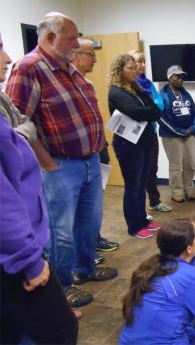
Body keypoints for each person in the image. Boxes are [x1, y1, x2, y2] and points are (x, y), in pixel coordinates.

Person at [6, 12, 118, 309]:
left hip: (89, 161)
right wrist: (48, 164)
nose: (77, 43)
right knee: (60, 232)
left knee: (88, 223)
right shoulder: (29, 68)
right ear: (51, 37)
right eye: (72, 37)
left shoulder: (69, 68)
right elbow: (19, 126)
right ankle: (62, 287)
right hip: (60, 165)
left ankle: (85, 269)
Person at [0, 35, 79, 344]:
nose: (7, 58)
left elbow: (24, 125)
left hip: (19, 249)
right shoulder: (30, 69)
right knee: (58, 331)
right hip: (15, 257)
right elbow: (4, 202)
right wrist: (31, 262)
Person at [72, 38, 120, 261]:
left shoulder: (87, 84)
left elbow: (93, 119)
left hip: (95, 151)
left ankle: (94, 240)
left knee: (93, 205)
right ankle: (80, 255)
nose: (95, 59)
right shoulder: (63, 84)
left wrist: (102, 144)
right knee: (77, 210)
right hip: (72, 160)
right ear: (75, 55)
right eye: (91, 54)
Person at [108, 53, 162, 239]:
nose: (135, 70)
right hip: (128, 145)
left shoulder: (136, 89)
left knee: (142, 184)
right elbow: (138, 112)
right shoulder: (116, 92)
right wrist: (149, 112)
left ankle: (143, 220)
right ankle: (134, 225)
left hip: (144, 142)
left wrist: (149, 111)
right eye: (130, 68)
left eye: (135, 67)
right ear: (120, 70)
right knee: (133, 185)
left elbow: (156, 110)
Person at [128, 49, 172, 213]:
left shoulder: (148, 83)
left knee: (152, 168)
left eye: (144, 61)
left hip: (151, 130)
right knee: (139, 171)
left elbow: (159, 104)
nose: (143, 65)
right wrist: (149, 109)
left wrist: (150, 109)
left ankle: (154, 201)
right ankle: (139, 211)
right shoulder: (127, 85)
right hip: (135, 133)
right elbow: (135, 109)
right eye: (139, 61)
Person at [159, 65, 195, 203]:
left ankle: (189, 190)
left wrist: (193, 128)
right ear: (170, 77)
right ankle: (177, 192)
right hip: (172, 136)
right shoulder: (163, 95)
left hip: (189, 134)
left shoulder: (185, 93)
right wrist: (178, 132)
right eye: (177, 76)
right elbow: (160, 118)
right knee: (176, 166)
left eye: (182, 76)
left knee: (190, 164)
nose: (180, 79)